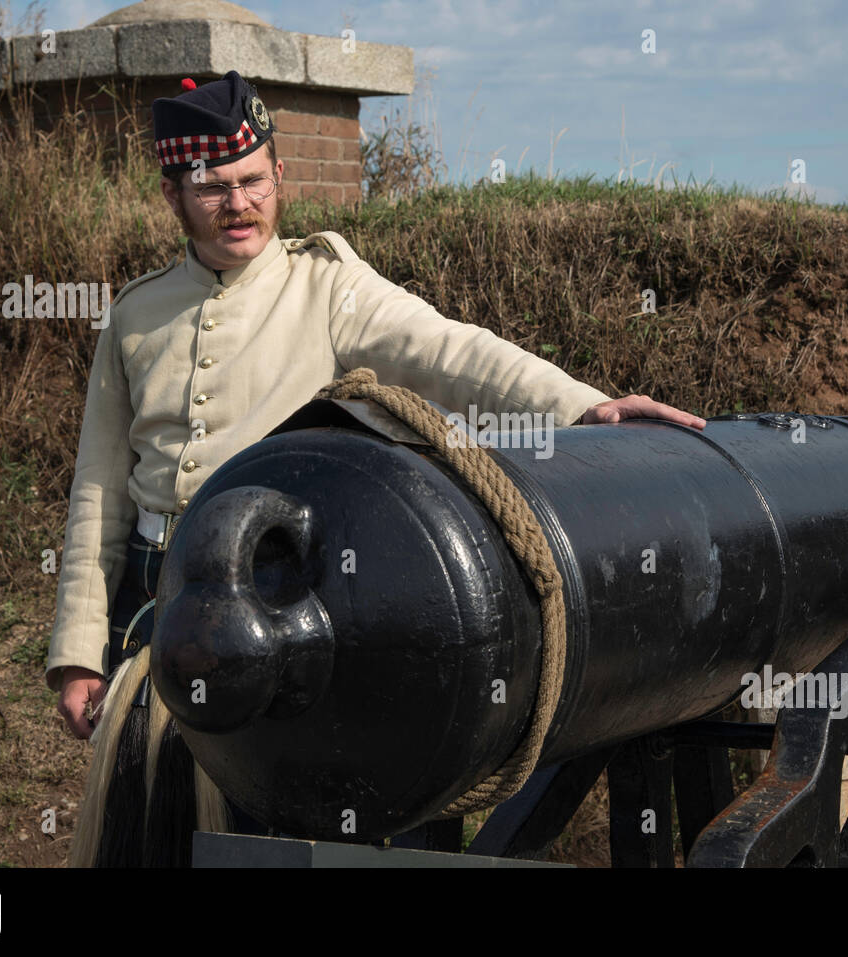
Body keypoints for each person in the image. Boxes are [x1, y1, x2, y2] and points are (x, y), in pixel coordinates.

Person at [48, 70, 705, 742]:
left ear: (279, 173)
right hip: (151, 593)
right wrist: (78, 654)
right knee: (149, 810)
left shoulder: (327, 285)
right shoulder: (133, 314)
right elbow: (98, 494)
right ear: (173, 195)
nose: (239, 204)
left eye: (255, 181)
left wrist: (587, 408)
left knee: (262, 806)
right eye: (213, 188)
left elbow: (453, 352)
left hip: (272, 584)